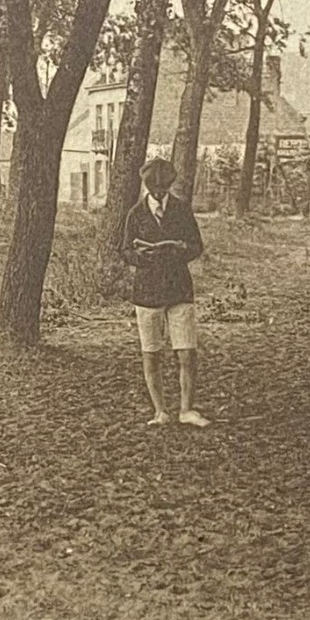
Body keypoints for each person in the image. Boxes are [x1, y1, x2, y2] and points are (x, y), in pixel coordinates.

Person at [120, 158, 210, 428]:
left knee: (187, 353)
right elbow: (125, 250)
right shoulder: (135, 214)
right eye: (153, 188)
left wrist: (179, 250)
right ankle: (160, 411)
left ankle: (186, 409)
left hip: (178, 288)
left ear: (170, 185)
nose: (158, 193)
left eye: (163, 187)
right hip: (147, 291)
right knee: (152, 353)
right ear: (146, 186)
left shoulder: (182, 211)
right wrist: (141, 257)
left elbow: (197, 246)